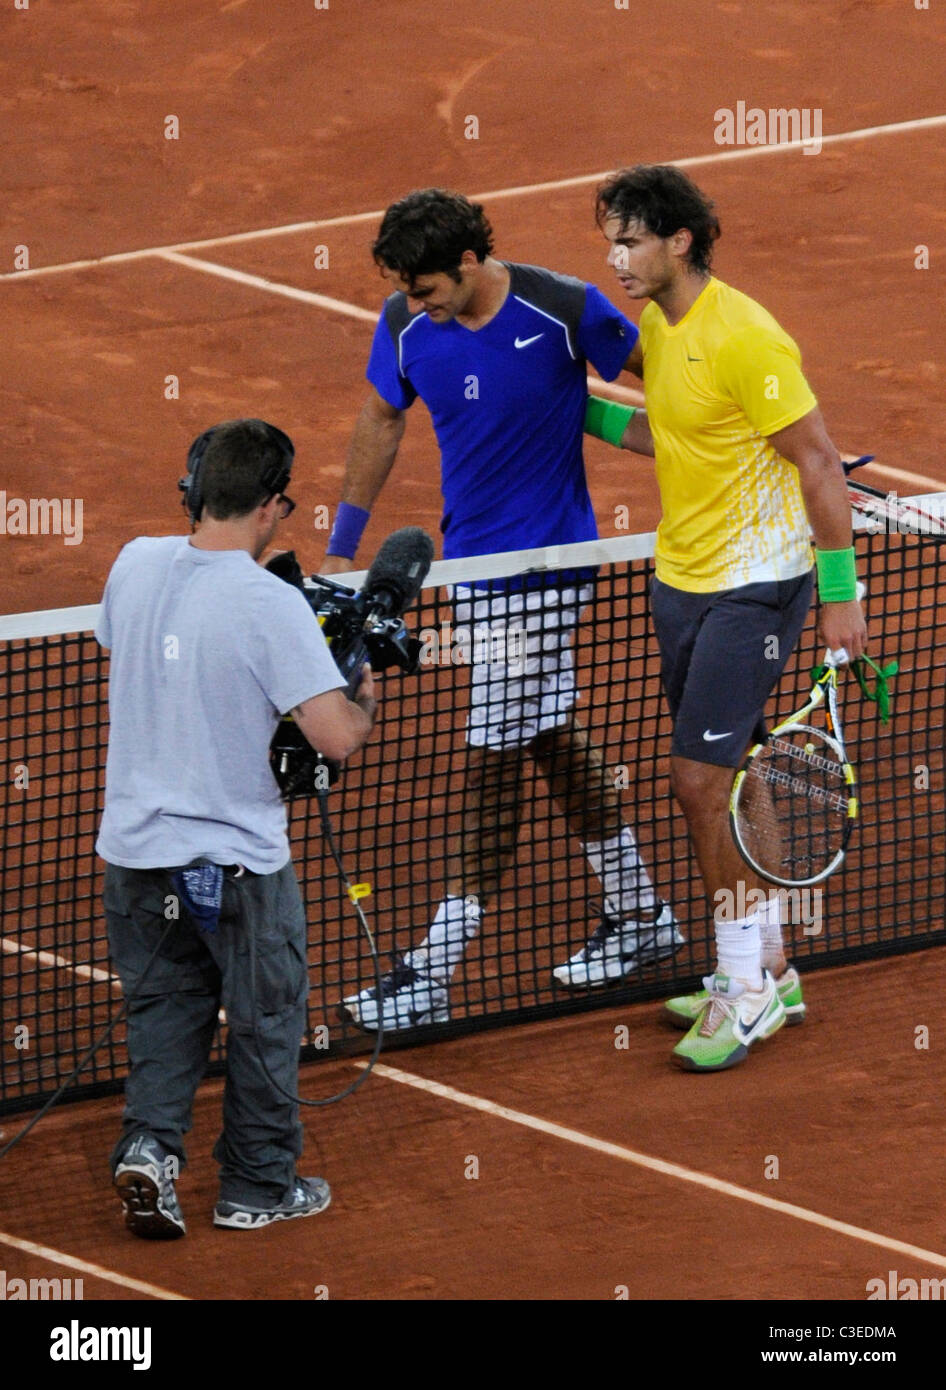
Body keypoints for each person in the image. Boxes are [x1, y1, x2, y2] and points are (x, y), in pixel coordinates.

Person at [322, 187, 682, 1032]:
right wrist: (343, 544)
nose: (418, 305)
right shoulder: (408, 327)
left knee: (490, 757)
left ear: (471, 263)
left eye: (429, 288)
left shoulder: (563, 308)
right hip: (475, 570)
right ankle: (641, 913)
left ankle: (432, 969)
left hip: (552, 569)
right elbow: (382, 415)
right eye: (410, 291)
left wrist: (746, 432)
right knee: (549, 736)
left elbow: (672, 373)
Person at [582, 164, 867, 1071]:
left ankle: (740, 989)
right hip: (685, 581)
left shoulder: (746, 337)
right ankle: (773, 967)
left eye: (630, 240)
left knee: (697, 784)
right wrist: (573, 411)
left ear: (680, 241)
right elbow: (664, 435)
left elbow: (820, 463)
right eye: (611, 242)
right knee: (739, 768)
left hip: (758, 589)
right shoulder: (664, 332)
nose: (616, 259)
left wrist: (839, 593)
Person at [96, 418, 376, 1237]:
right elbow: (330, 737)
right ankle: (256, 1186)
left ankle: (149, 1150)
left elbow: (123, 642)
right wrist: (363, 706)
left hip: (135, 860)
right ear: (272, 507)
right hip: (234, 871)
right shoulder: (270, 602)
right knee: (265, 1018)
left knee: (164, 1010)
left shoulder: (134, 563)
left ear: (195, 492)